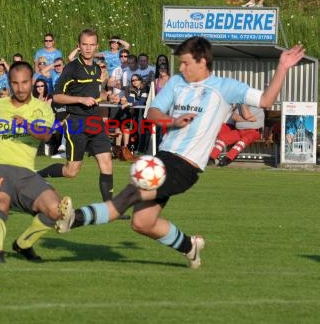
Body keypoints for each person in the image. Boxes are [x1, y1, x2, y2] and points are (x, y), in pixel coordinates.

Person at [56, 36, 305, 269]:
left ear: (202, 61)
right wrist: (172, 121)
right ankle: (190, 246)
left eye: (186, 63)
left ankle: (74, 219)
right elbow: (153, 113)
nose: (182, 68)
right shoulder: (176, 82)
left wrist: (282, 68)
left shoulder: (224, 87)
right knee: (142, 223)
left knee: (129, 194)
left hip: (185, 166)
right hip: (163, 157)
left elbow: (264, 100)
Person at [0, 61, 74, 263]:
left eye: (25, 82)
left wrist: (25, 125)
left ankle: (23, 244)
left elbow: (44, 135)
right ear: (9, 83)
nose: (20, 87)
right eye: (15, 83)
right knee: (1, 202)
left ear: (32, 81)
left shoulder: (42, 108)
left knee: (55, 210)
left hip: (26, 171)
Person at [37, 29, 114, 203]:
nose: (88, 48)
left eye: (92, 45)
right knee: (71, 171)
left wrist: (109, 96)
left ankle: (110, 207)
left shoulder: (96, 69)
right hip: (76, 123)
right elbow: (56, 96)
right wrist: (80, 99)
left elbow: (95, 94)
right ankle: (36, 176)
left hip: (95, 122)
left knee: (107, 163)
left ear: (96, 46)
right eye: (85, 45)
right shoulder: (71, 68)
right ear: (78, 46)